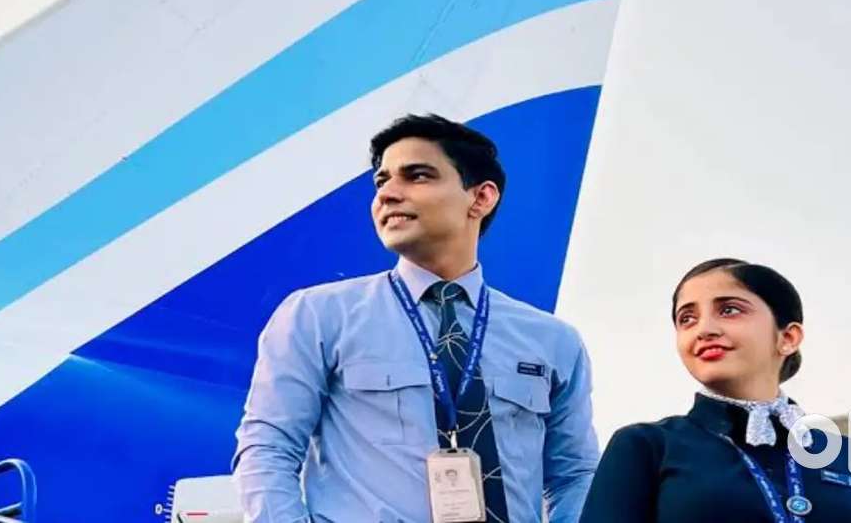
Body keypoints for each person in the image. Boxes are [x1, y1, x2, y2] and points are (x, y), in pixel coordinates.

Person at [234, 114, 599, 522]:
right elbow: (267, 447)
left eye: (417, 176)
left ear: (481, 198)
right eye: (381, 181)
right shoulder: (317, 316)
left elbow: (576, 475)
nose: (387, 194)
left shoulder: (553, 340)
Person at [580, 258, 851, 523]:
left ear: (788, 337)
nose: (704, 330)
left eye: (729, 310)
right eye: (687, 319)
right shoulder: (646, 446)